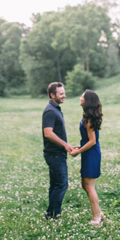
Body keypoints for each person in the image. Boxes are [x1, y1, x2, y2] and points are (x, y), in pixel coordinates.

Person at [69, 89, 106, 227]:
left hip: (91, 154)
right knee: (85, 185)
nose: (80, 98)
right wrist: (79, 147)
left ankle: (97, 217)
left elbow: (92, 141)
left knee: (89, 186)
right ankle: (99, 213)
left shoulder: (89, 120)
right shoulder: (87, 117)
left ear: (87, 100)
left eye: (82, 97)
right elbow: (88, 140)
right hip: (89, 152)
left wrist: (78, 152)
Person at [42, 82, 75, 219]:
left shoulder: (55, 109)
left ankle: (53, 213)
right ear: (52, 95)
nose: (64, 96)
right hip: (54, 154)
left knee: (55, 184)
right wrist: (65, 145)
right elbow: (48, 133)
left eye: (64, 93)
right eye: (61, 94)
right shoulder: (50, 111)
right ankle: (52, 214)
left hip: (56, 153)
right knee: (62, 184)